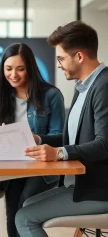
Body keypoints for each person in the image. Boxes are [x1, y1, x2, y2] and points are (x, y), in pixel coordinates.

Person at [15, 21, 108, 237]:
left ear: (79, 56)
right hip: (80, 186)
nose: (58, 64)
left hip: (98, 190)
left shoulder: (103, 86)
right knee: (28, 204)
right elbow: (75, 139)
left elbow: (105, 144)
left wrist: (59, 153)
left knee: (24, 218)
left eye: (61, 58)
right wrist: (39, 139)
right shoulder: (84, 86)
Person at [0, 43, 65, 237]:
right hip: (12, 165)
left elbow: (61, 137)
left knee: (25, 205)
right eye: (8, 69)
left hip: (41, 167)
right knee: (12, 214)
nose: (14, 75)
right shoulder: (1, 97)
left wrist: (37, 138)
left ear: (30, 69)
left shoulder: (51, 95)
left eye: (20, 69)